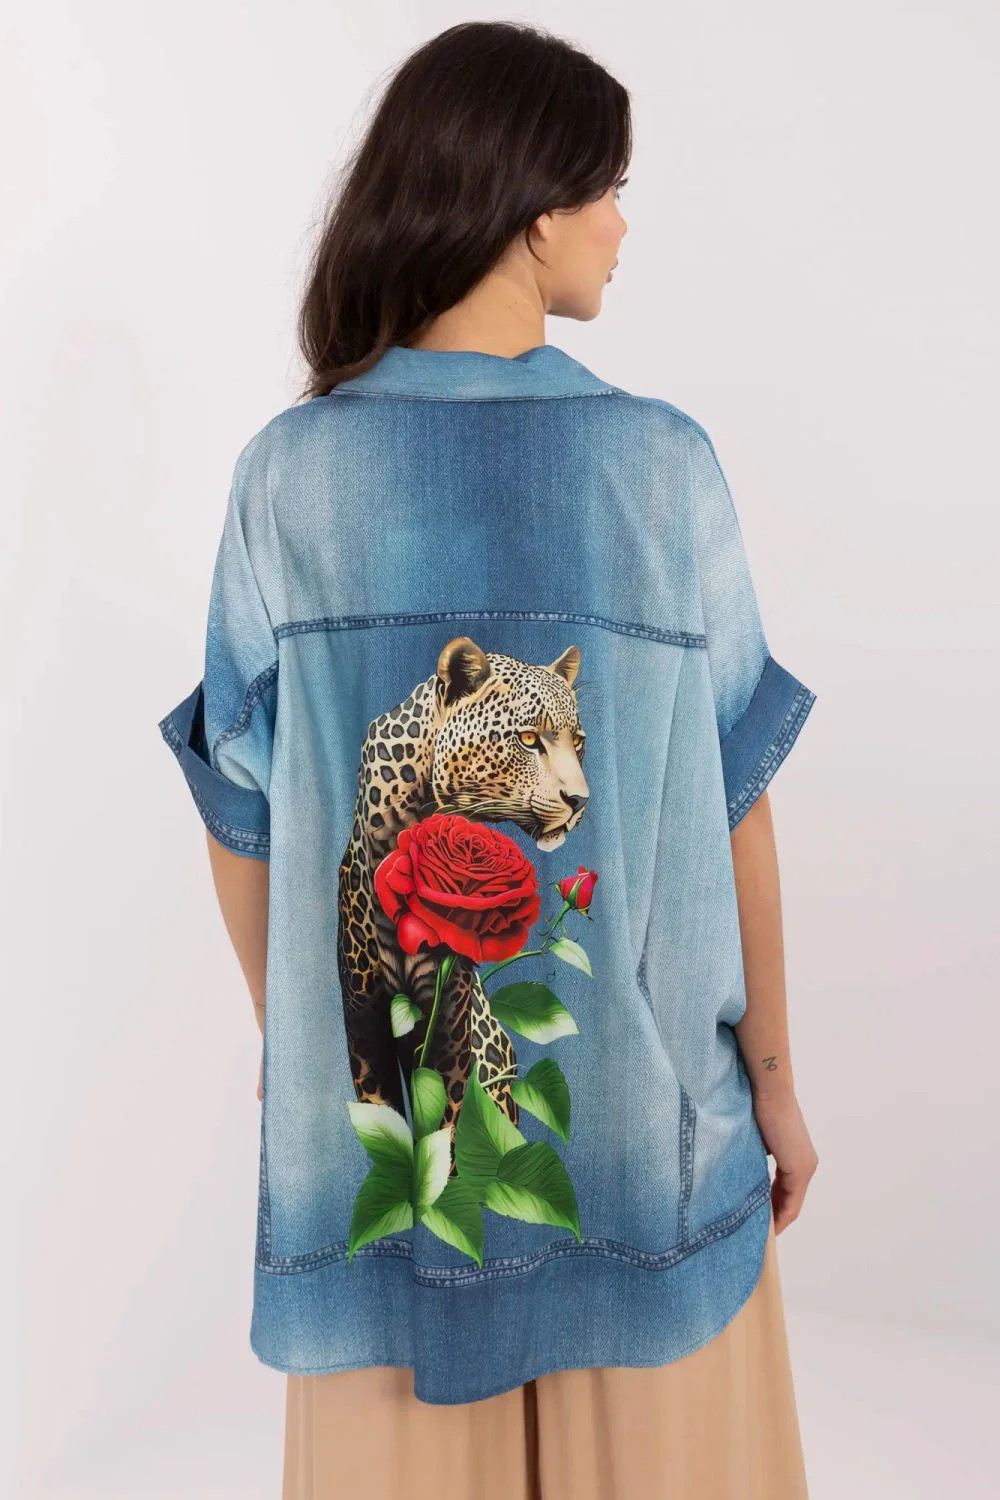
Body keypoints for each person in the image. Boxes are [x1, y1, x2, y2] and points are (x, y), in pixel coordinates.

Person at [157, 19, 818, 1499]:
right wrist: (775, 1084)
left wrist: (322, 1046)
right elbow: (739, 811)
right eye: (609, 190)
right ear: (533, 209)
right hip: (649, 1146)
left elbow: (237, 816)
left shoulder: (289, 475)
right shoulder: (660, 465)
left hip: (396, 1165)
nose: (622, 226)